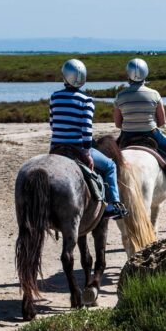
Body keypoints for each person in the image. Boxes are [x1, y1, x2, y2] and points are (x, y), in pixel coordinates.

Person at [49, 59, 126, 219]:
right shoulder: (86, 100)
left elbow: (52, 123)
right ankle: (113, 205)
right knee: (110, 166)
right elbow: (86, 129)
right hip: (77, 148)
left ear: (65, 76)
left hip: (55, 148)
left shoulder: (55, 97)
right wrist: (86, 152)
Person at [113, 58, 166, 206]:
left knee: (110, 161)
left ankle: (109, 197)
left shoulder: (121, 96)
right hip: (151, 133)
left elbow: (118, 123)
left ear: (128, 75)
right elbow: (162, 121)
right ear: (145, 74)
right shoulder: (154, 94)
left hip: (127, 135)